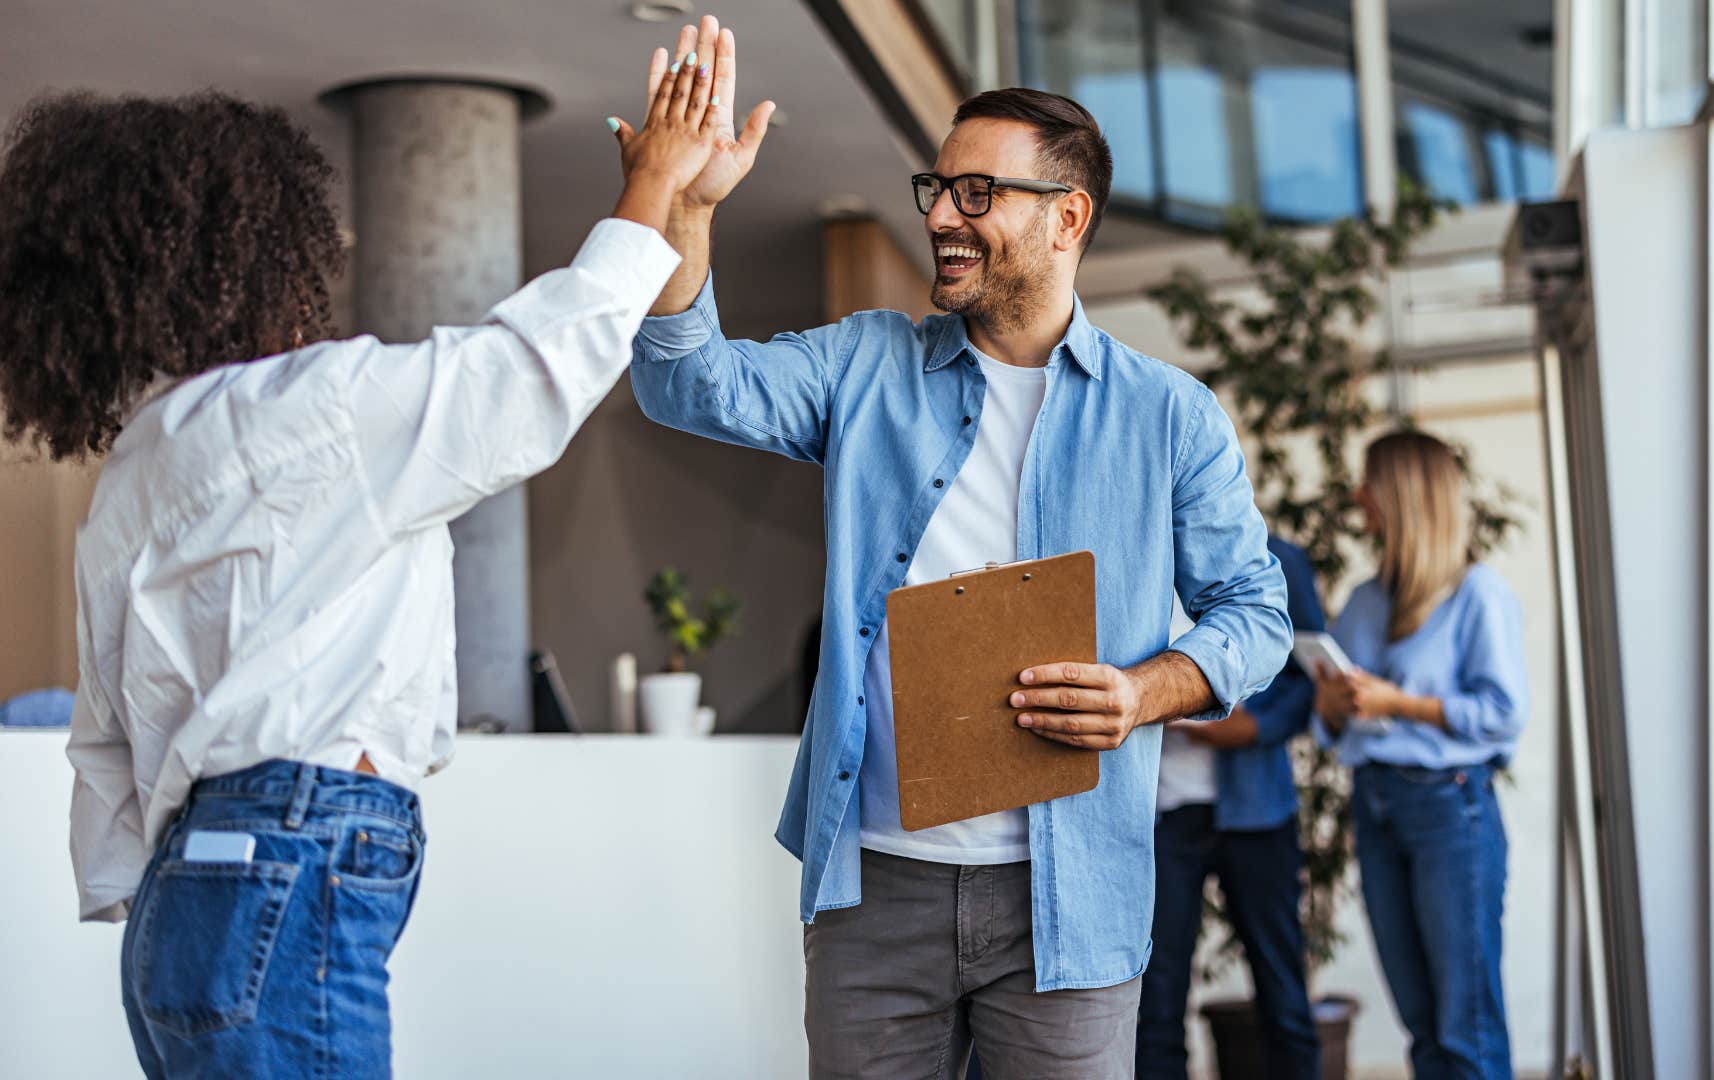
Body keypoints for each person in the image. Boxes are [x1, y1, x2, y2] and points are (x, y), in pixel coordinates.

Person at [0, 25, 756, 1075]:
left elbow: (103, 743)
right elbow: (523, 379)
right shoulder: (309, 408)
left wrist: (169, 894)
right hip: (290, 851)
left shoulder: (135, 469)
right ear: (255, 261)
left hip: (181, 900)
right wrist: (654, 186)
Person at [629, 61, 1292, 1078]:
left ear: (1068, 217)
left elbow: (1256, 611)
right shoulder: (864, 364)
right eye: (937, 189)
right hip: (876, 893)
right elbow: (686, 383)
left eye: (977, 192)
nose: (942, 214)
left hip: (1073, 897)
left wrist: (1141, 692)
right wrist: (688, 208)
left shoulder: (1169, 415)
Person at [1311, 430, 1527, 1080]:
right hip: (1376, 806)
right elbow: (1330, 723)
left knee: (1467, 1027)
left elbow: (1503, 712)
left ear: (1404, 493)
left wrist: (1399, 703)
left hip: (1449, 811)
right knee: (1423, 1026)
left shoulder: (1476, 594)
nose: (1358, 496)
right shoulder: (1364, 601)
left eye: (1370, 482)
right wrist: (1332, 705)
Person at [1138, 535, 1326, 1080]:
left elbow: (1310, 677)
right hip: (1159, 813)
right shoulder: (1133, 548)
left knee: (1281, 988)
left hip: (1256, 809)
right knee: (1156, 997)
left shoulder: (1274, 556)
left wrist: (1255, 727)